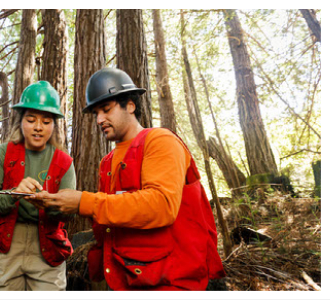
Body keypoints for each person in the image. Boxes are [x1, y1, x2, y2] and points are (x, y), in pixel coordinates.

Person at [34, 67, 225, 290]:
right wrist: (64, 205)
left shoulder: (160, 141)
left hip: (173, 279)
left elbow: (161, 205)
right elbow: (111, 217)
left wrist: (83, 202)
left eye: (106, 109)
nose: (99, 119)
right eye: (96, 113)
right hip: (129, 278)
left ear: (131, 105)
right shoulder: (107, 162)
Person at [0, 81, 74, 291]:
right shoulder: (1, 155)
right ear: (21, 122)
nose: (38, 127)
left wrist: (50, 204)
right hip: (4, 247)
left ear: (54, 125)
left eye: (46, 121)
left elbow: (69, 212)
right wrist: (13, 194)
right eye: (31, 120)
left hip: (47, 247)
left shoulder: (64, 163)